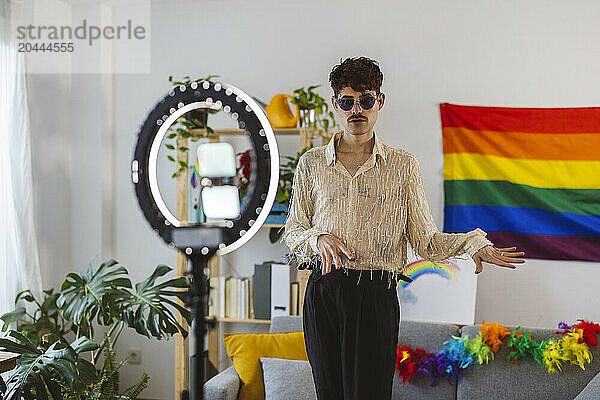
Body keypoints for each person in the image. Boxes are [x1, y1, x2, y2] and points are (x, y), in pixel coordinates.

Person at [281, 56, 524, 400]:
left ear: (380, 102)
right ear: (335, 103)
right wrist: (316, 237)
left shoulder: (403, 165)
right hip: (324, 293)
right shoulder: (311, 163)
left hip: (375, 296)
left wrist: (473, 245)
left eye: (366, 101)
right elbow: (292, 232)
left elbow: (425, 241)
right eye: (347, 101)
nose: (357, 111)